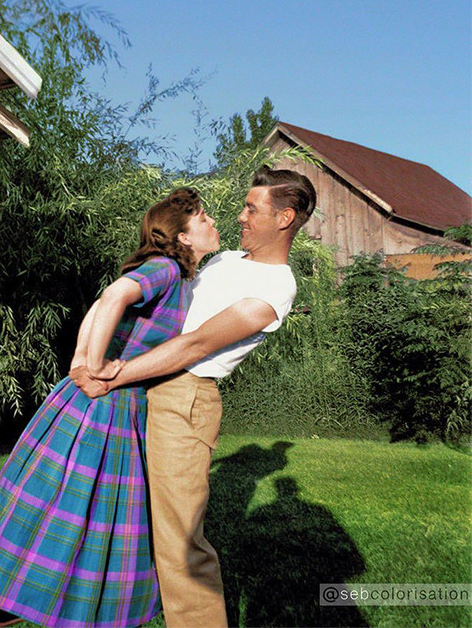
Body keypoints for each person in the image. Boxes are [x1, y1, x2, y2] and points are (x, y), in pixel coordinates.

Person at [0, 188, 221, 628]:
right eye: (203, 218)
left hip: (120, 412)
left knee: (93, 527)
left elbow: (99, 305)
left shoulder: (182, 280)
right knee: (33, 514)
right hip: (97, 412)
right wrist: (91, 363)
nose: (212, 223)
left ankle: (26, 598)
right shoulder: (164, 268)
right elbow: (112, 297)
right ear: (183, 237)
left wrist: (81, 356)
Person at [71, 164, 317, 628]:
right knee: (108, 505)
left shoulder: (275, 289)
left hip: (181, 398)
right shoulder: (225, 261)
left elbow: (195, 345)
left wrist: (112, 375)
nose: (241, 216)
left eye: (252, 208)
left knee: (180, 541)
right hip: (145, 385)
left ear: (284, 218)